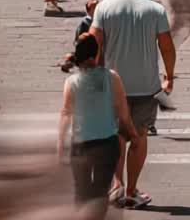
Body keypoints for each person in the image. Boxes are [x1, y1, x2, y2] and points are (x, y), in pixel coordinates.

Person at [89, 0, 176, 209]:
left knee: (116, 135)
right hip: (146, 86)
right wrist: (169, 74)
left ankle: (116, 184)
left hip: (112, 85)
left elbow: (94, 44)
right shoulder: (154, 9)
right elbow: (166, 46)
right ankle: (132, 189)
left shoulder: (104, 7)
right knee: (139, 136)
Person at [58, 33, 140, 219]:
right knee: (101, 191)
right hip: (106, 144)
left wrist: (60, 142)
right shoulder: (112, 78)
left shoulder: (71, 82)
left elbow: (65, 113)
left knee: (81, 191)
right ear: (97, 54)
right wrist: (133, 135)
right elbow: (123, 114)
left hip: (80, 144)